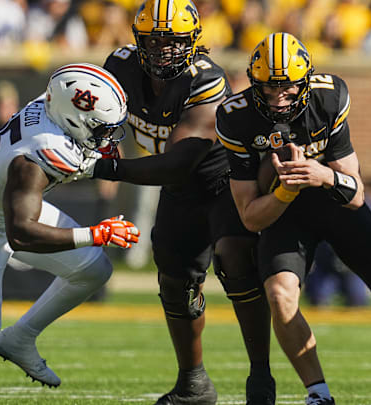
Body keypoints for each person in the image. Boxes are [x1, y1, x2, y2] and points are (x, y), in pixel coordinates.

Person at [215, 32, 371, 405]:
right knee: (279, 293)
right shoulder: (235, 118)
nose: (277, 99)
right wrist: (287, 188)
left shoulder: (328, 96)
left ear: (305, 83)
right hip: (283, 209)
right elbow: (251, 218)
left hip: (331, 201)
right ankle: (318, 393)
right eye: (268, 89)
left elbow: (356, 196)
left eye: (287, 88)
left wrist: (320, 175)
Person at [85, 1, 275, 404]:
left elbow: (178, 162)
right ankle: (193, 384)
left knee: (235, 260)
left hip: (224, 179)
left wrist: (103, 169)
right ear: (138, 41)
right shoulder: (119, 66)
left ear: (192, 42)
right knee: (174, 281)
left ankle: (261, 377)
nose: (162, 50)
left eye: (172, 42)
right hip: (180, 191)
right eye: (153, 41)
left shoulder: (205, 78)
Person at [0, 63, 140, 394]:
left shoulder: (51, 109)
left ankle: (20, 337)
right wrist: (95, 234)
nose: (107, 137)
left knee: (94, 269)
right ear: (74, 118)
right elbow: (22, 234)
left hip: (2, 211)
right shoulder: (37, 155)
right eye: (101, 128)